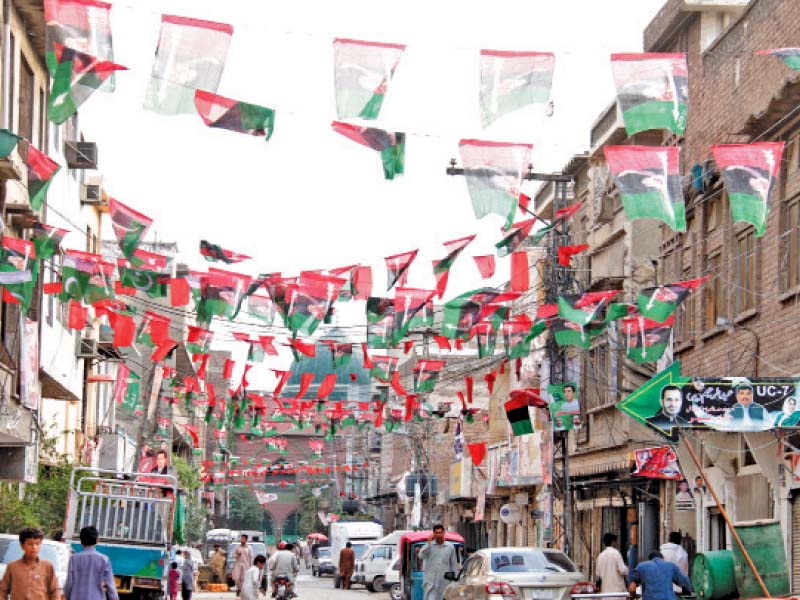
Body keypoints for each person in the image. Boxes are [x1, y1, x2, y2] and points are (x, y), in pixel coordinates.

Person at [0, 527, 60, 600]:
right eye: (30, 544)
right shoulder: (12, 567)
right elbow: (2, 591)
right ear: (22, 545)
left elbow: (55, 590)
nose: (34, 547)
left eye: (37, 544)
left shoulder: (47, 566)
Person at [64, 525, 119, 600]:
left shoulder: (74, 558)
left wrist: (66, 596)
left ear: (81, 541)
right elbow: (111, 585)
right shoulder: (104, 559)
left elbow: (69, 582)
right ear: (97, 540)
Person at [418, 524, 458, 600]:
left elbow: (454, 565)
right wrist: (428, 543)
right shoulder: (429, 546)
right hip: (430, 583)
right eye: (436, 533)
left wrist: (455, 581)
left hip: (444, 583)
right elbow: (420, 556)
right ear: (433, 534)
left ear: (444, 533)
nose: (439, 535)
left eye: (440, 532)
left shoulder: (450, 547)